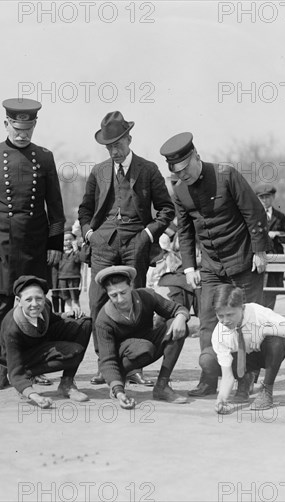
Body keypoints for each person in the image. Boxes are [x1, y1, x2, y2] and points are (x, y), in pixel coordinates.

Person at [159, 132, 269, 397]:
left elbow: (254, 213)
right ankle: (208, 379)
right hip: (210, 266)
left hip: (244, 260)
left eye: (186, 170)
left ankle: (245, 379)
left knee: (245, 322)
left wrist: (259, 251)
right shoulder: (180, 189)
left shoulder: (226, 175)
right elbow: (185, 231)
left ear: (197, 156)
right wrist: (189, 268)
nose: (183, 176)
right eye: (178, 173)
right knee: (208, 321)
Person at [0, 98, 66, 391]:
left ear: (34, 125)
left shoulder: (45, 157)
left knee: (36, 306)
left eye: (27, 129)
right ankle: (1, 369)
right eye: (17, 128)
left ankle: (32, 366)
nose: (22, 134)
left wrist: (55, 244)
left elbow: (56, 206)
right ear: (6, 124)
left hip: (35, 244)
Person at [78, 111, 175, 387]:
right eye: (109, 146)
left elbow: (166, 209)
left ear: (129, 139)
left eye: (118, 144)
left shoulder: (148, 169)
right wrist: (90, 234)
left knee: (137, 302)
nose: (114, 151)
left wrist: (147, 234)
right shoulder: (98, 171)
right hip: (102, 245)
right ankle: (104, 364)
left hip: (136, 244)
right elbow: (85, 210)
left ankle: (134, 366)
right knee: (98, 301)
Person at [94, 266, 190, 409]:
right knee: (143, 348)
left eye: (123, 292)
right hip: (123, 360)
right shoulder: (103, 319)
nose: (120, 299)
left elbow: (175, 308)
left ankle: (162, 386)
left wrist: (181, 316)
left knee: (175, 324)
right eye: (113, 295)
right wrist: (118, 391)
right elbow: (106, 360)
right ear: (107, 294)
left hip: (145, 346)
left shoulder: (147, 296)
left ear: (131, 286)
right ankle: (119, 381)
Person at [1, 276, 92, 408]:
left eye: (39, 298)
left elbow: (53, 318)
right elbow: (14, 371)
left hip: (41, 345)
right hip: (21, 360)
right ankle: (25, 383)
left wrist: (67, 314)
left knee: (84, 323)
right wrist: (35, 396)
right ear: (18, 301)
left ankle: (67, 383)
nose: (35, 304)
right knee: (72, 353)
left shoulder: (46, 305)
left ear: (44, 297)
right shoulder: (12, 329)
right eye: (28, 300)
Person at [212, 285, 285, 414]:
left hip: (264, 354)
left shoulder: (257, 312)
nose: (225, 321)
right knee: (209, 360)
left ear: (242, 308)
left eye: (230, 315)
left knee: (277, 340)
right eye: (220, 316)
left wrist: (263, 331)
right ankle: (246, 377)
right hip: (244, 359)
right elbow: (227, 375)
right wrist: (222, 398)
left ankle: (267, 390)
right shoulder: (219, 333)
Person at [254, 184, 285, 310]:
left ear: (273, 197)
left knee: (272, 290)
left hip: (275, 257)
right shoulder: (252, 215)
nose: (265, 200)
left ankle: (269, 319)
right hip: (258, 257)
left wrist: (277, 234)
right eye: (262, 197)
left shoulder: (280, 216)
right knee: (257, 289)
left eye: (267, 197)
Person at [57, 230, 83, 315]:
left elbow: (78, 260)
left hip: (74, 277)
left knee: (75, 299)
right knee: (66, 299)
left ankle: (78, 315)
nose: (68, 241)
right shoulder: (59, 252)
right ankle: (68, 315)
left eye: (70, 239)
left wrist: (75, 249)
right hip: (62, 277)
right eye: (66, 240)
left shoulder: (77, 251)